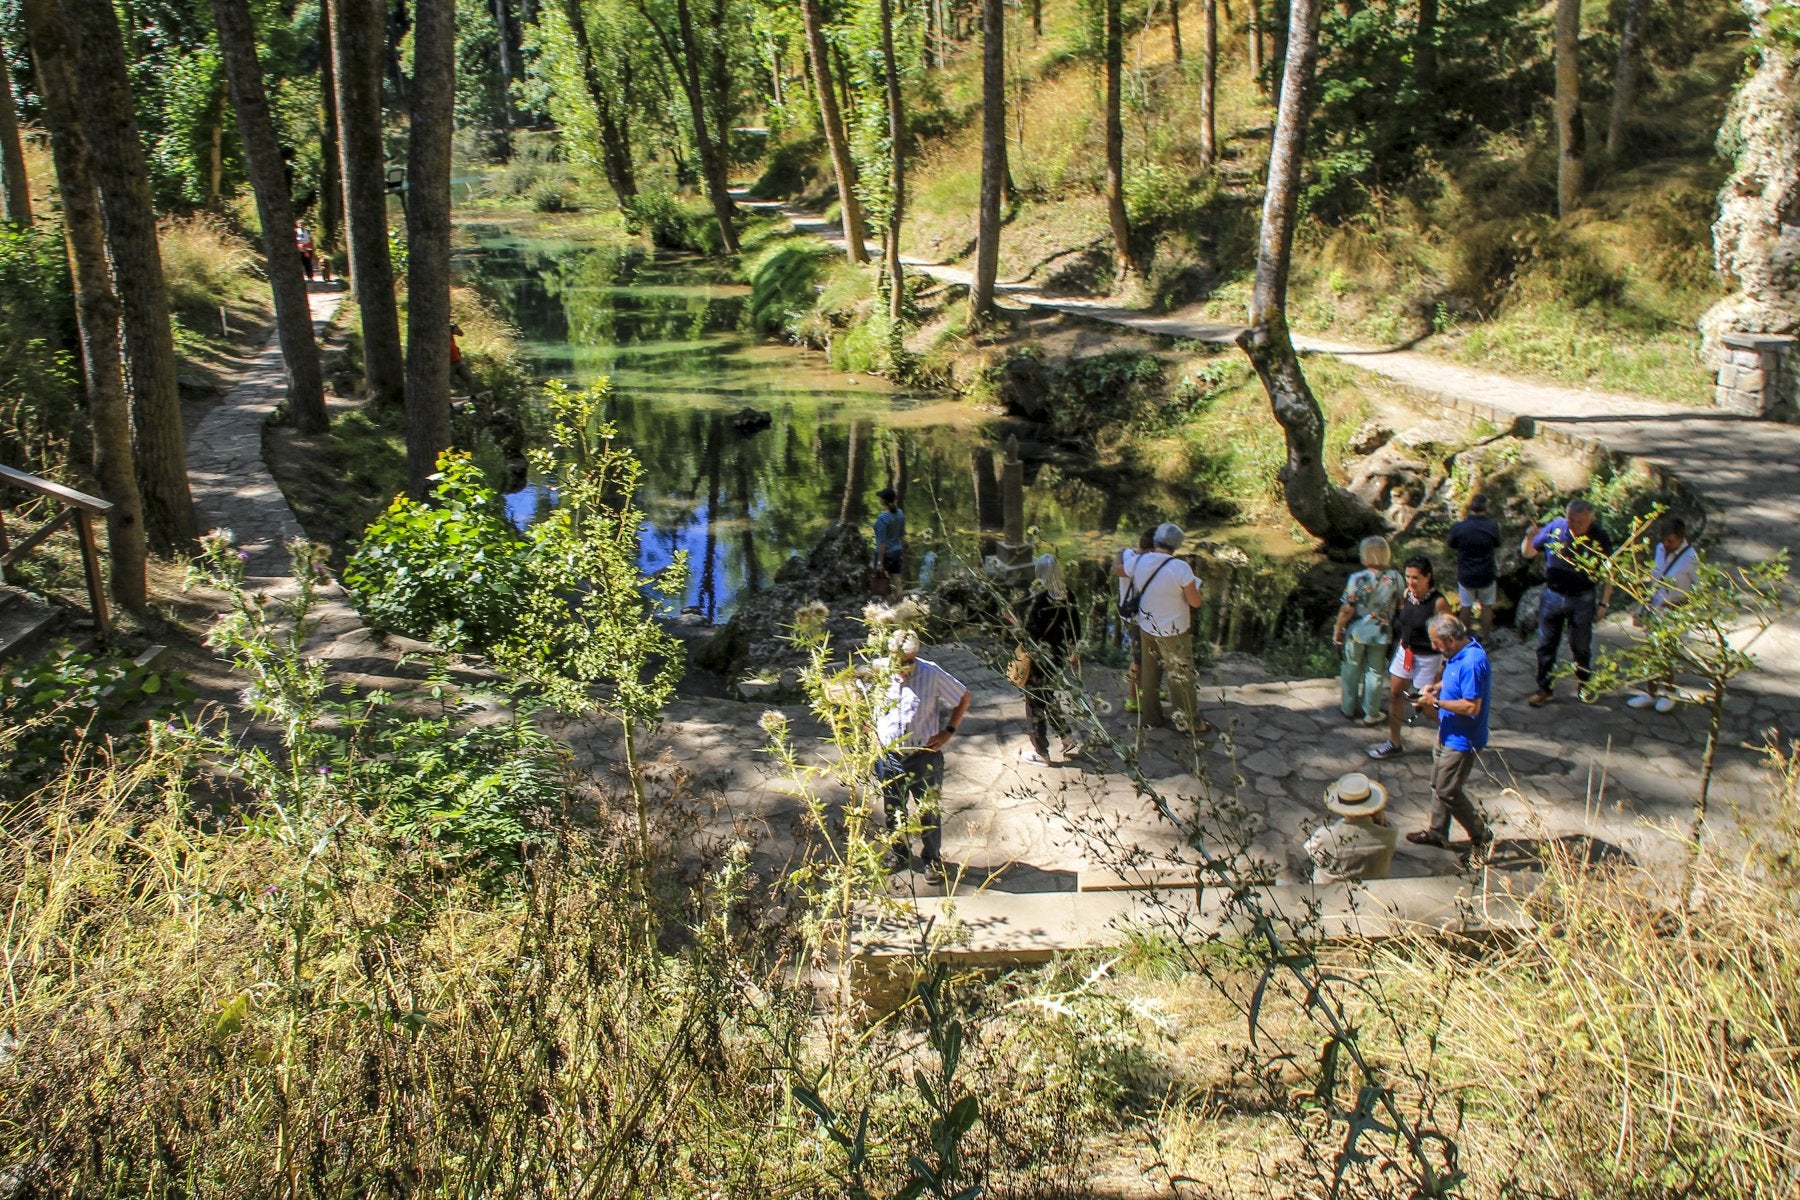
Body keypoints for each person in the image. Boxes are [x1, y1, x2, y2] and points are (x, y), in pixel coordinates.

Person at [872, 630, 971, 878]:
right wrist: (868, 730)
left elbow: (963, 696)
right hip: (889, 757)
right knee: (894, 810)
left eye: (909, 660)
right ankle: (900, 855)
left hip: (923, 756)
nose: (904, 666)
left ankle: (932, 859)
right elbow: (861, 699)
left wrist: (948, 731)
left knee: (928, 810)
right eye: (899, 660)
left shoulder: (931, 673)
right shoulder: (877, 670)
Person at [1406, 614, 1494, 861]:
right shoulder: (1458, 654)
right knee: (1437, 784)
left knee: (1448, 790)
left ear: (1451, 639)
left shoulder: (1474, 662)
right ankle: (1437, 832)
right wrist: (1438, 687)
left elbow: (1471, 707)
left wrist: (1434, 701)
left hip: (1462, 740)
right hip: (1447, 731)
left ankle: (1481, 836)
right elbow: (1454, 679)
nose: (1434, 647)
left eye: (1436, 642)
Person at [1522, 499, 1614, 706]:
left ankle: (1584, 685)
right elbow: (1528, 553)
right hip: (1552, 595)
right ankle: (1545, 688)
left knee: (1580, 645)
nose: (1573, 525)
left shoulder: (1599, 537)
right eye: (1571, 520)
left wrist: (1604, 604)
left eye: (1579, 522)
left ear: (1591, 519)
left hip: (1582, 598)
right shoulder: (1556, 528)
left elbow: (1611, 573)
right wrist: (1529, 538)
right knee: (1546, 644)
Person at [1123, 523, 1211, 734]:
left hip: (1147, 627)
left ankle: (1151, 718)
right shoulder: (1180, 568)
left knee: (1150, 676)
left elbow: (1120, 567)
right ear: (1176, 545)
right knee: (1181, 677)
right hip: (1174, 631)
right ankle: (1188, 721)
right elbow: (1195, 602)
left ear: (1155, 541)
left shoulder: (1138, 562)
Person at [1368, 555, 1451, 760]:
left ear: (1428, 577)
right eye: (1408, 577)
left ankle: (1457, 733)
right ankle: (1394, 743)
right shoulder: (1407, 594)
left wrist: (1444, 664)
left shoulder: (1438, 603)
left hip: (1428, 657)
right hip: (1406, 653)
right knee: (1395, 694)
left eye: (1415, 577)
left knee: (1425, 704)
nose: (1411, 581)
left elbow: (1451, 634)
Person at [1626, 516, 1700, 714]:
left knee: (1666, 654)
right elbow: (1655, 578)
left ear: (1680, 538)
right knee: (1651, 652)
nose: (1667, 545)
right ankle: (1650, 693)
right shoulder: (1660, 549)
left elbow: (1700, 588)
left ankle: (1669, 692)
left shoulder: (1690, 557)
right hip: (1656, 608)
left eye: (1671, 541)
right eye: (1665, 540)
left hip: (1675, 611)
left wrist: (1685, 608)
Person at [1015, 554, 1083, 764]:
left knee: (1034, 702)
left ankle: (1041, 751)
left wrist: (1013, 621)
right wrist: (1073, 652)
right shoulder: (1068, 594)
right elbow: (1076, 628)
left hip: (1038, 657)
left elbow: (1029, 633)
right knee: (1048, 695)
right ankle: (1066, 736)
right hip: (1058, 655)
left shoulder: (1038, 598)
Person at [1333, 535, 1402, 726]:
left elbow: (1347, 609)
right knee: (1375, 671)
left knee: (1351, 669)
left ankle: (1348, 708)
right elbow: (1401, 605)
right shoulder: (1396, 578)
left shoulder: (1357, 578)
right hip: (1381, 632)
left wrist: (1337, 630)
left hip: (1356, 632)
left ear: (1366, 555)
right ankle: (1371, 712)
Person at [1304, 772, 1398, 883]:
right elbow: (1386, 826)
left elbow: (1311, 853)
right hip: (1371, 885)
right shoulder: (1390, 833)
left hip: (1330, 888)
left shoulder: (1326, 836)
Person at [1112, 526, 1158, 714]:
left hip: (1128, 614)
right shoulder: (1144, 563)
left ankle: (1149, 689)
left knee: (1149, 657)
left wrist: (1119, 553)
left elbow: (1115, 569)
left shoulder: (1126, 555)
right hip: (1138, 617)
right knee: (1138, 660)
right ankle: (1132, 698)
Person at [1447, 493, 1502, 638]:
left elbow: (1451, 544)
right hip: (1486, 573)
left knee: (1466, 607)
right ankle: (1486, 638)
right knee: (1487, 606)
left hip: (1466, 573)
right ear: (1486, 508)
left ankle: (1464, 638)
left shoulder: (1459, 527)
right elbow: (1497, 543)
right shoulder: (1492, 526)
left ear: (1470, 508)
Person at [873, 487, 906, 587]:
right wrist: (902, 551)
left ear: (884, 501)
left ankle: (887, 602)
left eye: (881, 498)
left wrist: (879, 562)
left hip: (886, 555)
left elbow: (882, 542)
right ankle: (899, 601)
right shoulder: (900, 513)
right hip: (897, 552)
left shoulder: (883, 518)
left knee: (883, 584)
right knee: (897, 580)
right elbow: (901, 534)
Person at [449, 323, 479, 397]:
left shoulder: (450, 329)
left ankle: (472, 395)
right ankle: (448, 403)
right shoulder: (441, 332)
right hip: (449, 364)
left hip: (458, 361)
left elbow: (461, 334)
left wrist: (456, 328)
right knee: (447, 384)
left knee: (468, 377)